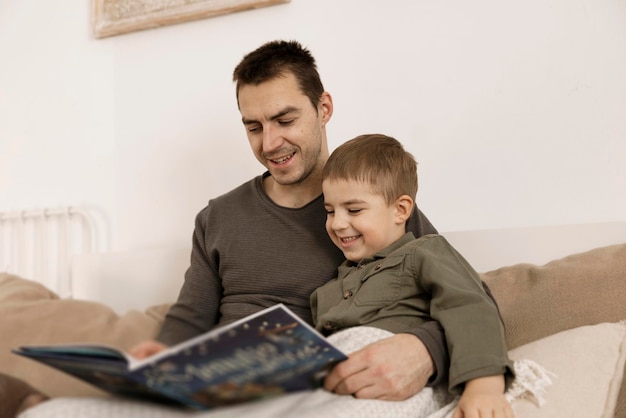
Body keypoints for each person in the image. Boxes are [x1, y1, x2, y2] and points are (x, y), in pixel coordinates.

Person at [129, 39, 449, 400]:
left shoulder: (375, 210)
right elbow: (189, 319)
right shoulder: (216, 217)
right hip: (222, 385)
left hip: (313, 388)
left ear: (323, 108)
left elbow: (466, 297)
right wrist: (160, 355)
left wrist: (424, 351)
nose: (269, 144)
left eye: (285, 120)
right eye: (253, 127)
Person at [310, 133, 515, 417]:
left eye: (354, 209)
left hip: (396, 387)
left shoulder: (424, 252)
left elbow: (470, 306)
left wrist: (483, 388)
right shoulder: (330, 290)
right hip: (342, 383)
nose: (338, 223)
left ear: (400, 209)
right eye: (330, 211)